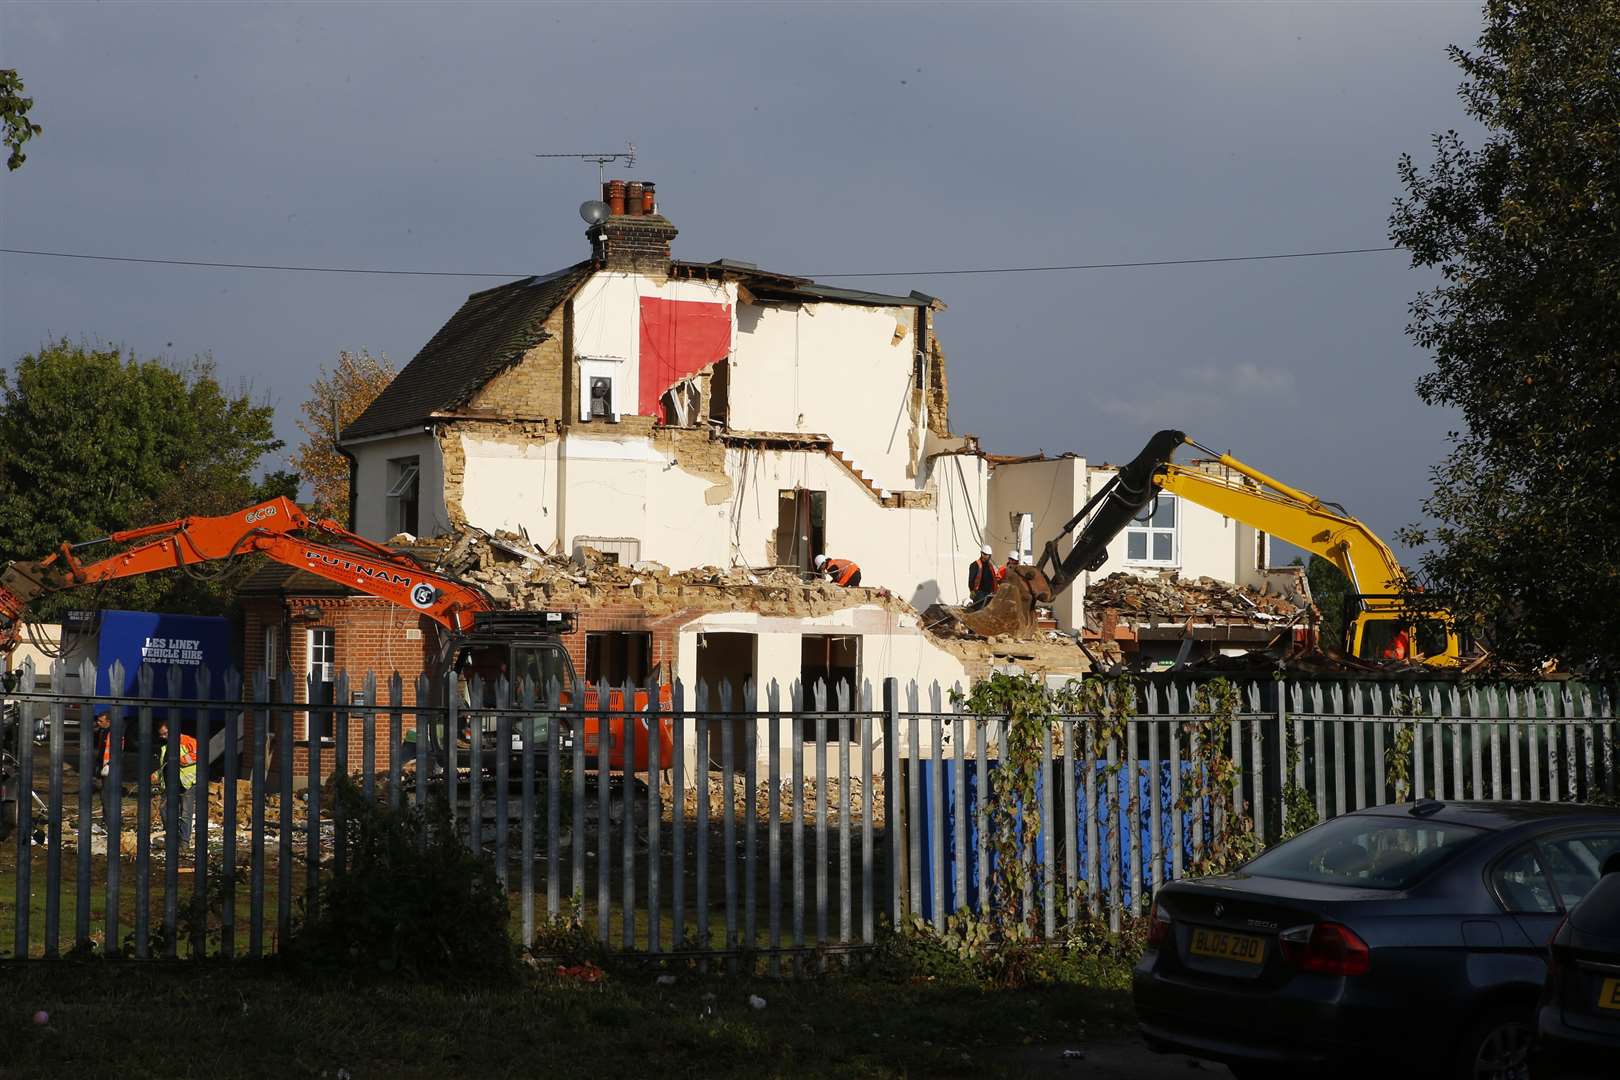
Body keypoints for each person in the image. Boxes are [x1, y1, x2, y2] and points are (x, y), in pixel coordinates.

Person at [152, 720, 199, 847]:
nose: (163, 737)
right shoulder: (166, 747)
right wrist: (157, 774)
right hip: (170, 784)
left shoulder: (187, 741)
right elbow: (165, 764)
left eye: (165, 734)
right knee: (164, 810)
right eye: (161, 735)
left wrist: (181, 760)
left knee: (185, 813)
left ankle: (183, 841)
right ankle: (173, 836)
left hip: (186, 783)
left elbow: (198, 753)